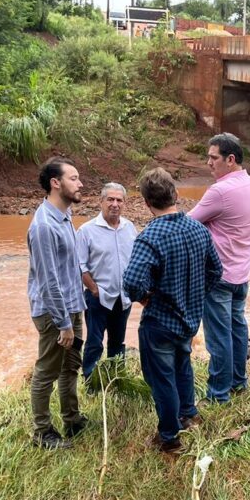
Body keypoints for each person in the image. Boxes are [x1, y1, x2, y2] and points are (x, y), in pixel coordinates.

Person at [123, 167, 223, 453]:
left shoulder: (149, 237)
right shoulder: (198, 228)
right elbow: (216, 270)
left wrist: (146, 297)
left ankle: (169, 437)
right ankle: (189, 414)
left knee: (162, 378)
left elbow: (131, 283)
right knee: (183, 364)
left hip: (161, 321)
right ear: (176, 195)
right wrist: (196, 294)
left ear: (145, 203)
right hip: (189, 318)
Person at [188, 133, 250, 404]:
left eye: (213, 157)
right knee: (237, 328)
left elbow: (190, 222)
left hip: (219, 276)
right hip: (242, 273)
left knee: (219, 338)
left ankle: (218, 394)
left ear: (230, 160)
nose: (208, 163)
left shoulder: (220, 191)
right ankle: (239, 383)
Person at [26, 157, 88, 449]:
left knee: (70, 367)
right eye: (74, 178)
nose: (80, 184)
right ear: (56, 183)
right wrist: (64, 324)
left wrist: (76, 313)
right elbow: (48, 280)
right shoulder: (43, 226)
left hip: (73, 306)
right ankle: (42, 432)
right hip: (55, 314)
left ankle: (72, 419)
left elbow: (68, 268)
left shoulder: (65, 214)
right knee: (47, 371)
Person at [76, 182, 137, 381]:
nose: (115, 204)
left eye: (119, 200)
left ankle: (116, 378)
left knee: (118, 342)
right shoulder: (87, 230)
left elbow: (135, 261)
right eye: (110, 199)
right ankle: (90, 380)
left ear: (125, 203)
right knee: (94, 342)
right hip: (98, 298)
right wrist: (94, 290)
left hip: (123, 297)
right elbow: (80, 266)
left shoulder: (129, 228)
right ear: (100, 202)